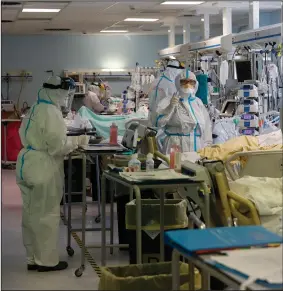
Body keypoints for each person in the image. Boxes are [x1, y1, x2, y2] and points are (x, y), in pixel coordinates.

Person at [16, 76, 88, 272]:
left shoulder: (36, 107)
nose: (66, 96)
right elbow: (57, 147)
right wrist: (80, 140)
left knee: (31, 214)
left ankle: (32, 258)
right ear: (57, 92)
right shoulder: (51, 112)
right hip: (43, 167)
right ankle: (46, 261)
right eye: (64, 92)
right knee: (47, 214)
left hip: (26, 163)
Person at [156, 69, 212, 154]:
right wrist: (170, 107)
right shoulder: (168, 100)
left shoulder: (198, 102)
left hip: (195, 145)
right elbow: (158, 122)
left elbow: (206, 126)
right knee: (174, 166)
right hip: (175, 144)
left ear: (195, 84)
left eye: (191, 82)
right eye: (184, 82)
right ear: (178, 83)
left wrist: (207, 146)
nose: (187, 85)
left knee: (194, 166)